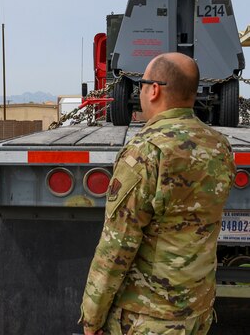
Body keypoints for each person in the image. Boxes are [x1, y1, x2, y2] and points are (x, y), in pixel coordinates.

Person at [79, 52, 235, 334]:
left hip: (151, 318)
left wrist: (92, 318)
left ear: (154, 90)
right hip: (198, 313)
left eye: (142, 85)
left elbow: (117, 245)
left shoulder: (146, 152)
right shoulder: (219, 146)